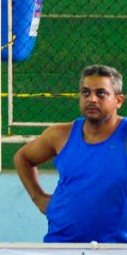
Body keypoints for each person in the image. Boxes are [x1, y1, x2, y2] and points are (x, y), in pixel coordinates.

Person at [14, 64, 127, 243]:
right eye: (86, 92)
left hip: (117, 249)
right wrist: (38, 197)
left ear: (118, 100)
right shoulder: (61, 135)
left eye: (101, 94)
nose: (92, 99)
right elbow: (23, 158)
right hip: (61, 244)